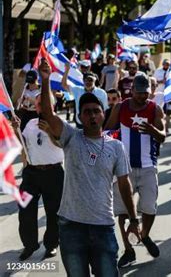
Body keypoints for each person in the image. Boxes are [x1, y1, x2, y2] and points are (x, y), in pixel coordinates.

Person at [38, 59, 140, 276]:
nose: (92, 115)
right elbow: (48, 114)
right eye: (86, 112)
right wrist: (45, 80)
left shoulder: (116, 147)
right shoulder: (71, 138)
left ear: (103, 113)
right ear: (80, 116)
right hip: (71, 227)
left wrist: (133, 219)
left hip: (103, 228)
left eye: (96, 111)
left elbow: (124, 185)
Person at [105, 74, 165, 268]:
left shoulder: (155, 108)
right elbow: (107, 132)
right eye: (139, 93)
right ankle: (129, 251)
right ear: (132, 91)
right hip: (125, 168)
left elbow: (163, 136)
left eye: (146, 93)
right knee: (122, 213)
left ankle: (144, 235)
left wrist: (153, 131)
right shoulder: (120, 107)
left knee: (149, 208)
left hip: (148, 166)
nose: (143, 97)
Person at [12, 94, 64, 261]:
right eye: (38, 104)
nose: (40, 107)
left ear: (52, 105)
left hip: (53, 173)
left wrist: (49, 132)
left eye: (44, 103)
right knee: (25, 209)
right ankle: (30, 244)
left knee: (53, 212)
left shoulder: (59, 124)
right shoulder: (31, 123)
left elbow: (63, 144)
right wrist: (15, 130)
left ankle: (51, 245)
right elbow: (23, 145)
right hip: (32, 174)